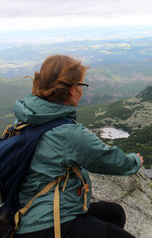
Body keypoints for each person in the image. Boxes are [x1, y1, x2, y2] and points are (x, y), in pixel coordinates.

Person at [12, 55, 143, 238]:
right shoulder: (66, 132)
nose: (83, 90)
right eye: (82, 85)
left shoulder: (25, 118)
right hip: (49, 224)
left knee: (114, 213)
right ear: (72, 91)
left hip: (23, 214)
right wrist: (134, 161)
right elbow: (105, 158)